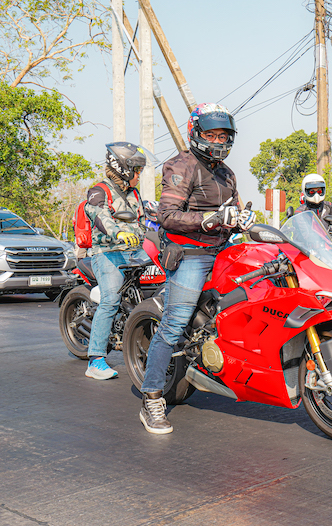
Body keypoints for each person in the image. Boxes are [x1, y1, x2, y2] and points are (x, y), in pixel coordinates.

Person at [138, 102, 255, 434]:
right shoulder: (181, 166)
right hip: (190, 251)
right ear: (196, 134)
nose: (218, 141)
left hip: (223, 248)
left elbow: (232, 211)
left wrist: (240, 220)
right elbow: (167, 215)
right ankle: (151, 398)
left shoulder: (226, 172)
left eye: (223, 135)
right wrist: (209, 219)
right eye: (211, 135)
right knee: (173, 326)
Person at [84, 142, 150, 380]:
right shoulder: (99, 191)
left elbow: (146, 220)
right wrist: (117, 232)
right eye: (137, 170)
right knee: (111, 300)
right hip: (108, 253)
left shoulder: (135, 194)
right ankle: (96, 360)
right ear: (123, 168)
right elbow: (98, 215)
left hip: (136, 252)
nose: (139, 175)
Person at [295, 173, 332, 238]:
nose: (316, 195)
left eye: (319, 191)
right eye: (312, 192)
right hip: (306, 247)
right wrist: (326, 236)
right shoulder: (300, 212)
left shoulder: (330, 207)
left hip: (329, 246)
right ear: (305, 191)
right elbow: (305, 235)